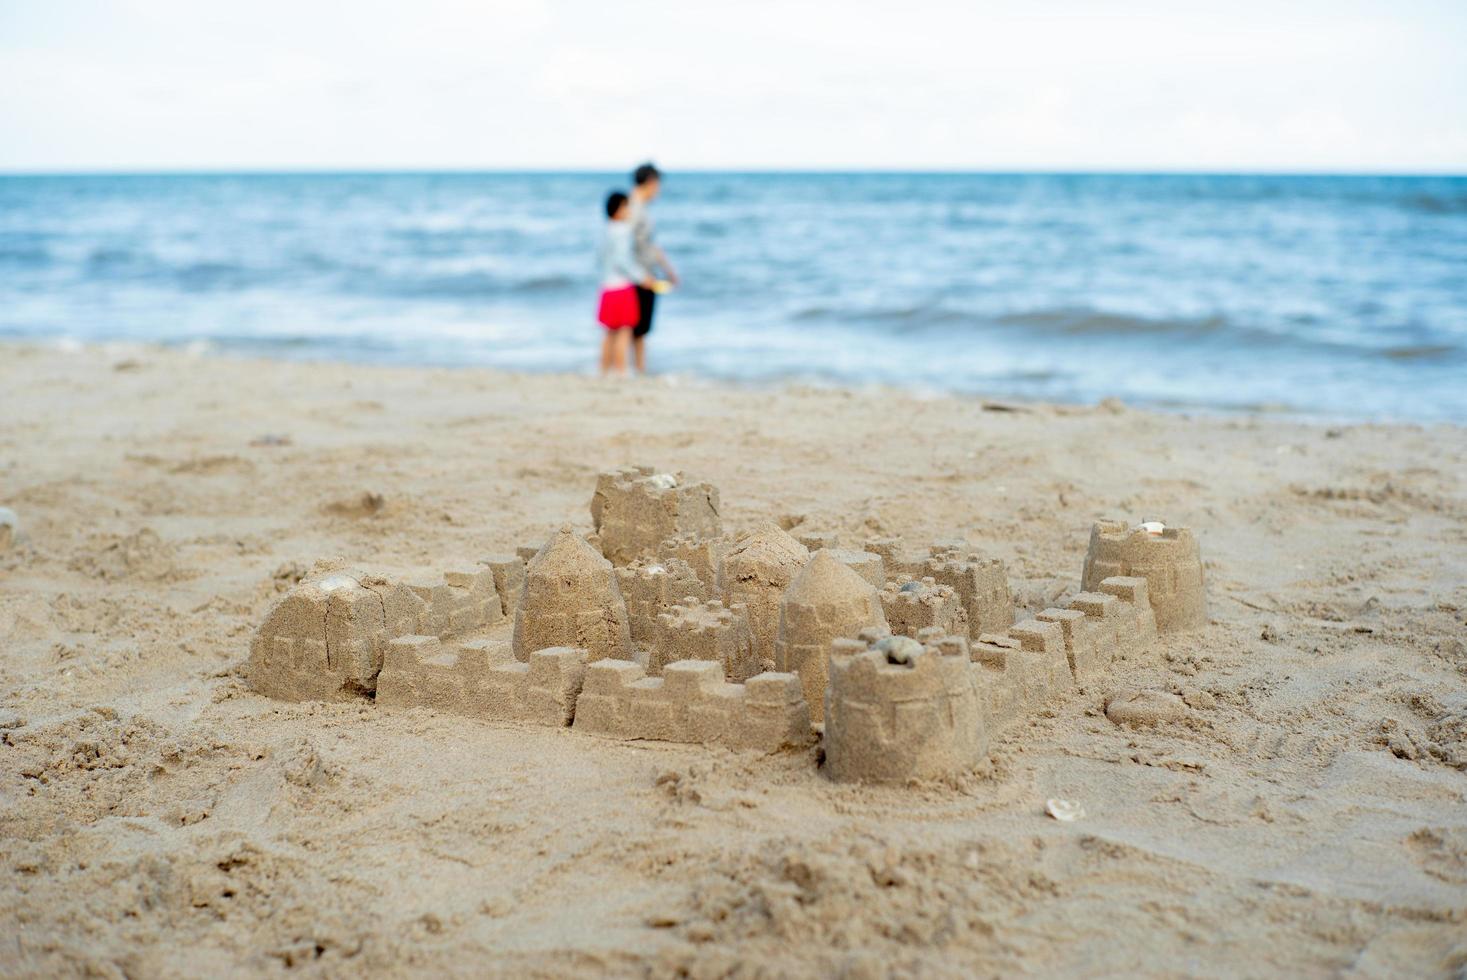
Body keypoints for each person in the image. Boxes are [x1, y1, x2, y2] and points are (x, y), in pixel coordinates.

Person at [596, 191, 657, 375]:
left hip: (607, 286)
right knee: (624, 331)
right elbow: (624, 260)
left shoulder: (605, 230)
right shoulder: (622, 231)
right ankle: (621, 372)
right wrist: (642, 277)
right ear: (617, 210)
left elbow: (599, 259)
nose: (629, 210)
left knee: (608, 333)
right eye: (626, 206)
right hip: (622, 287)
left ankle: (604, 371)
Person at [626, 162, 678, 374]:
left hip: (646, 273)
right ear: (650, 182)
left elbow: (650, 245)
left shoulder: (638, 208)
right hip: (639, 275)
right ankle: (634, 369)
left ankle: (638, 369)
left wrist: (668, 270)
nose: (659, 189)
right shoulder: (634, 209)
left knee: (640, 328)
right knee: (635, 327)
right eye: (658, 184)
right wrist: (639, 275)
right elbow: (626, 245)